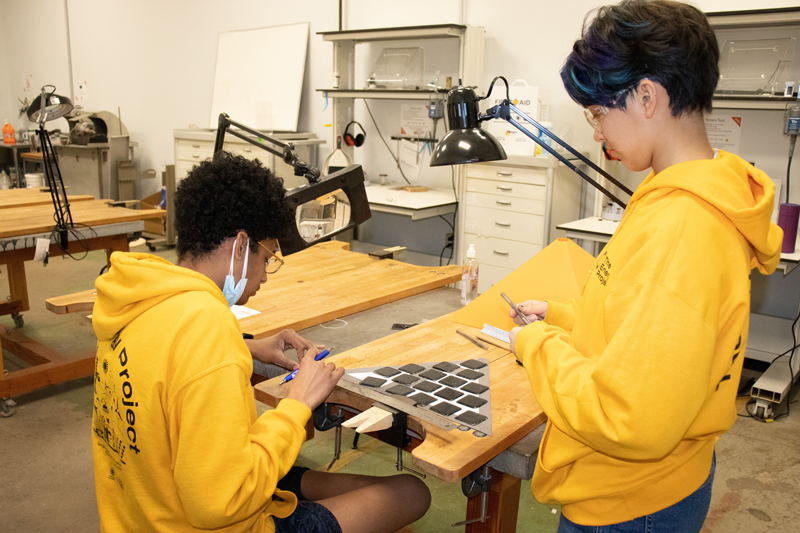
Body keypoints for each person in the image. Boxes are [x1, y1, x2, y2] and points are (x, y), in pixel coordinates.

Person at [508, 1, 783, 532]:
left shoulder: (684, 226)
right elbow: (652, 326)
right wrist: (564, 318)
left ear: (646, 96)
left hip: (629, 500)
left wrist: (536, 346)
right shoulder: (689, 194)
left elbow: (627, 418)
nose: (595, 130)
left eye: (597, 112)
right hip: (666, 478)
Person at [91, 152, 430, 533]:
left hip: (143, 508)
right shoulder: (207, 324)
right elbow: (218, 505)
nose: (265, 277)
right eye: (268, 256)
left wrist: (245, 347)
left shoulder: (140, 295)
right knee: (410, 493)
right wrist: (297, 404)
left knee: (337, 484)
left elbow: (163, 359)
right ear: (240, 245)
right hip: (210, 518)